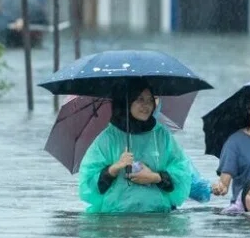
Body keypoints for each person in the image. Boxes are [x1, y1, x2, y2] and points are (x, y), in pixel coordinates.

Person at [79, 80, 193, 214]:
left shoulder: (162, 135)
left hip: (157, 215)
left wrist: (155, 177)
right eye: (140, 99)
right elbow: (88, 183)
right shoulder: (108, 138)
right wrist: (113, 169)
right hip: (116, 217)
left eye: (150, 100)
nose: (146, 105)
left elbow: (182, 172)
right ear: (126, 101)